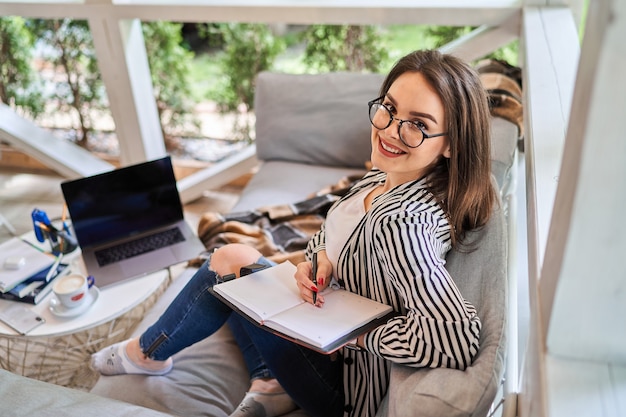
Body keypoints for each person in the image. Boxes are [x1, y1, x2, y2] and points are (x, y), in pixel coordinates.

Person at [91, 49, 496, 417]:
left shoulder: (400, 225)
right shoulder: (393, 177)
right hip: (321, 329)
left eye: (418, 126)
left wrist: (357, 336)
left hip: (342, 387)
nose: (390, 130)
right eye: (388, 109)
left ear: (451, 145)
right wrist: (315, 261)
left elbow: (455, 338)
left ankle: (146, 353)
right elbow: (335, 235)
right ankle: (270, 380)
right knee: (240, 277)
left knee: (226, 263)